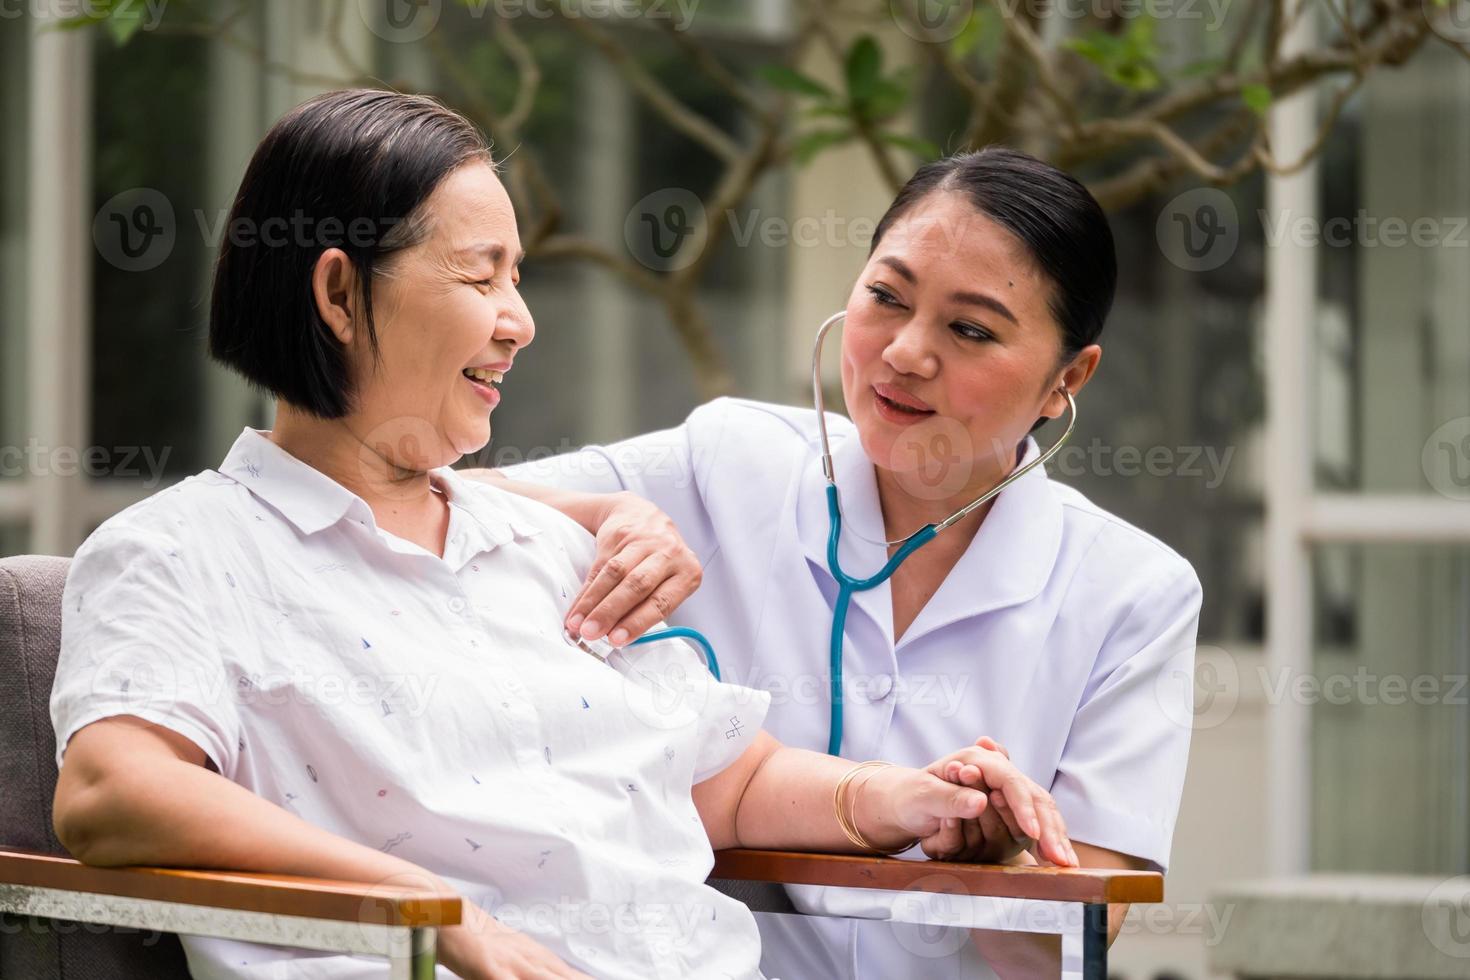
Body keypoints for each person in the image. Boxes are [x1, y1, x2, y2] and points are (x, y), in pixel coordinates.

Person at [48, 90, 1071, 980]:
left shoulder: (542, 547)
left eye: (518, 276)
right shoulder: (182, 551)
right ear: (336, 294)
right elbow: (110, 788)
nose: (519, 319)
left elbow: (730, 779)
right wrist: (441, 912)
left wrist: (909, 797)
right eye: (481, 276)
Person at [477, 147, 1204, 978]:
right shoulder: (731, 460)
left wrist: (999, 867)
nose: (905, 354)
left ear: (1065, 380)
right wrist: (611, 512)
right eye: (886, 298)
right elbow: (450, 497)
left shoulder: (1134, 595)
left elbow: (1068, 952)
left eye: (970, 330)